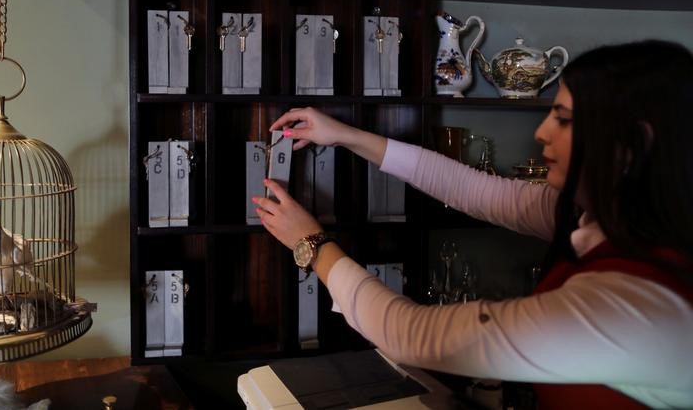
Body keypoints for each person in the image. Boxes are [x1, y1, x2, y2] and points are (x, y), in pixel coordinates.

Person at [252, 40, 693, 409]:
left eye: (563, 119)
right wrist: (345, 135)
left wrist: (311, 243)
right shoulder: (590, 218)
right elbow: (469, 189)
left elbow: (409, 334)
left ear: (632, 145)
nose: (541, 133)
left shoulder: (636, 304)